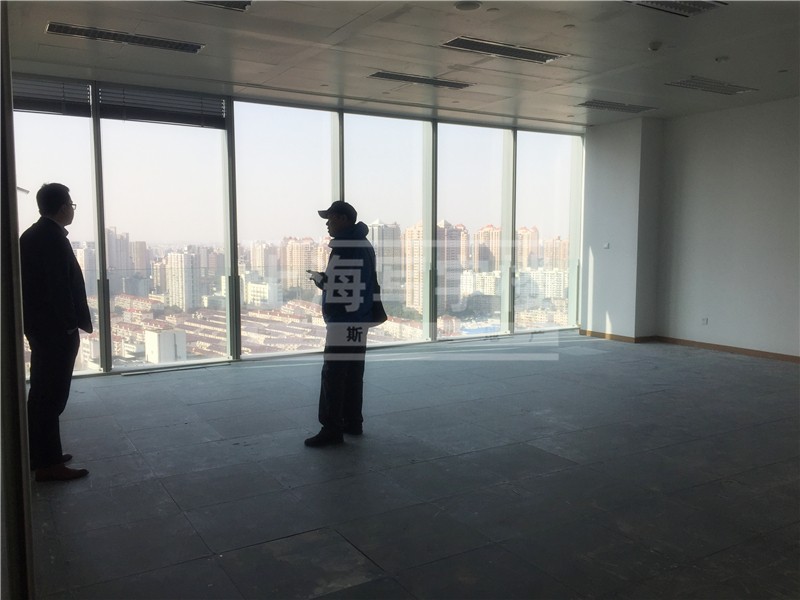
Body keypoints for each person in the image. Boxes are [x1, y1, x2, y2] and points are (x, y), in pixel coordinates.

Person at [19, 183, 92, 481]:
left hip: (40, 328)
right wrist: (69, 325)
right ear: (62, 207)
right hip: (55, 331)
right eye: (71, 205)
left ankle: (38, 454)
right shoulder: (52, 239)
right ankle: (48, 465)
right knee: (51, 396)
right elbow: (59, 288)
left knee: (41, 393)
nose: (72, 210)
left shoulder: (32, 235)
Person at [305, 200, 378, 447]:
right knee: (353, 373)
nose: (327, 224)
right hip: (359, 318)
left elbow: (339, 286)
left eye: (331, 218)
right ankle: (353, 422)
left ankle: (331, 429)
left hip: (343, 320)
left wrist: (319, 280)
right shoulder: (363, 244)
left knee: (334, 374)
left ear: (344, 219)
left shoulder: (345, 246)